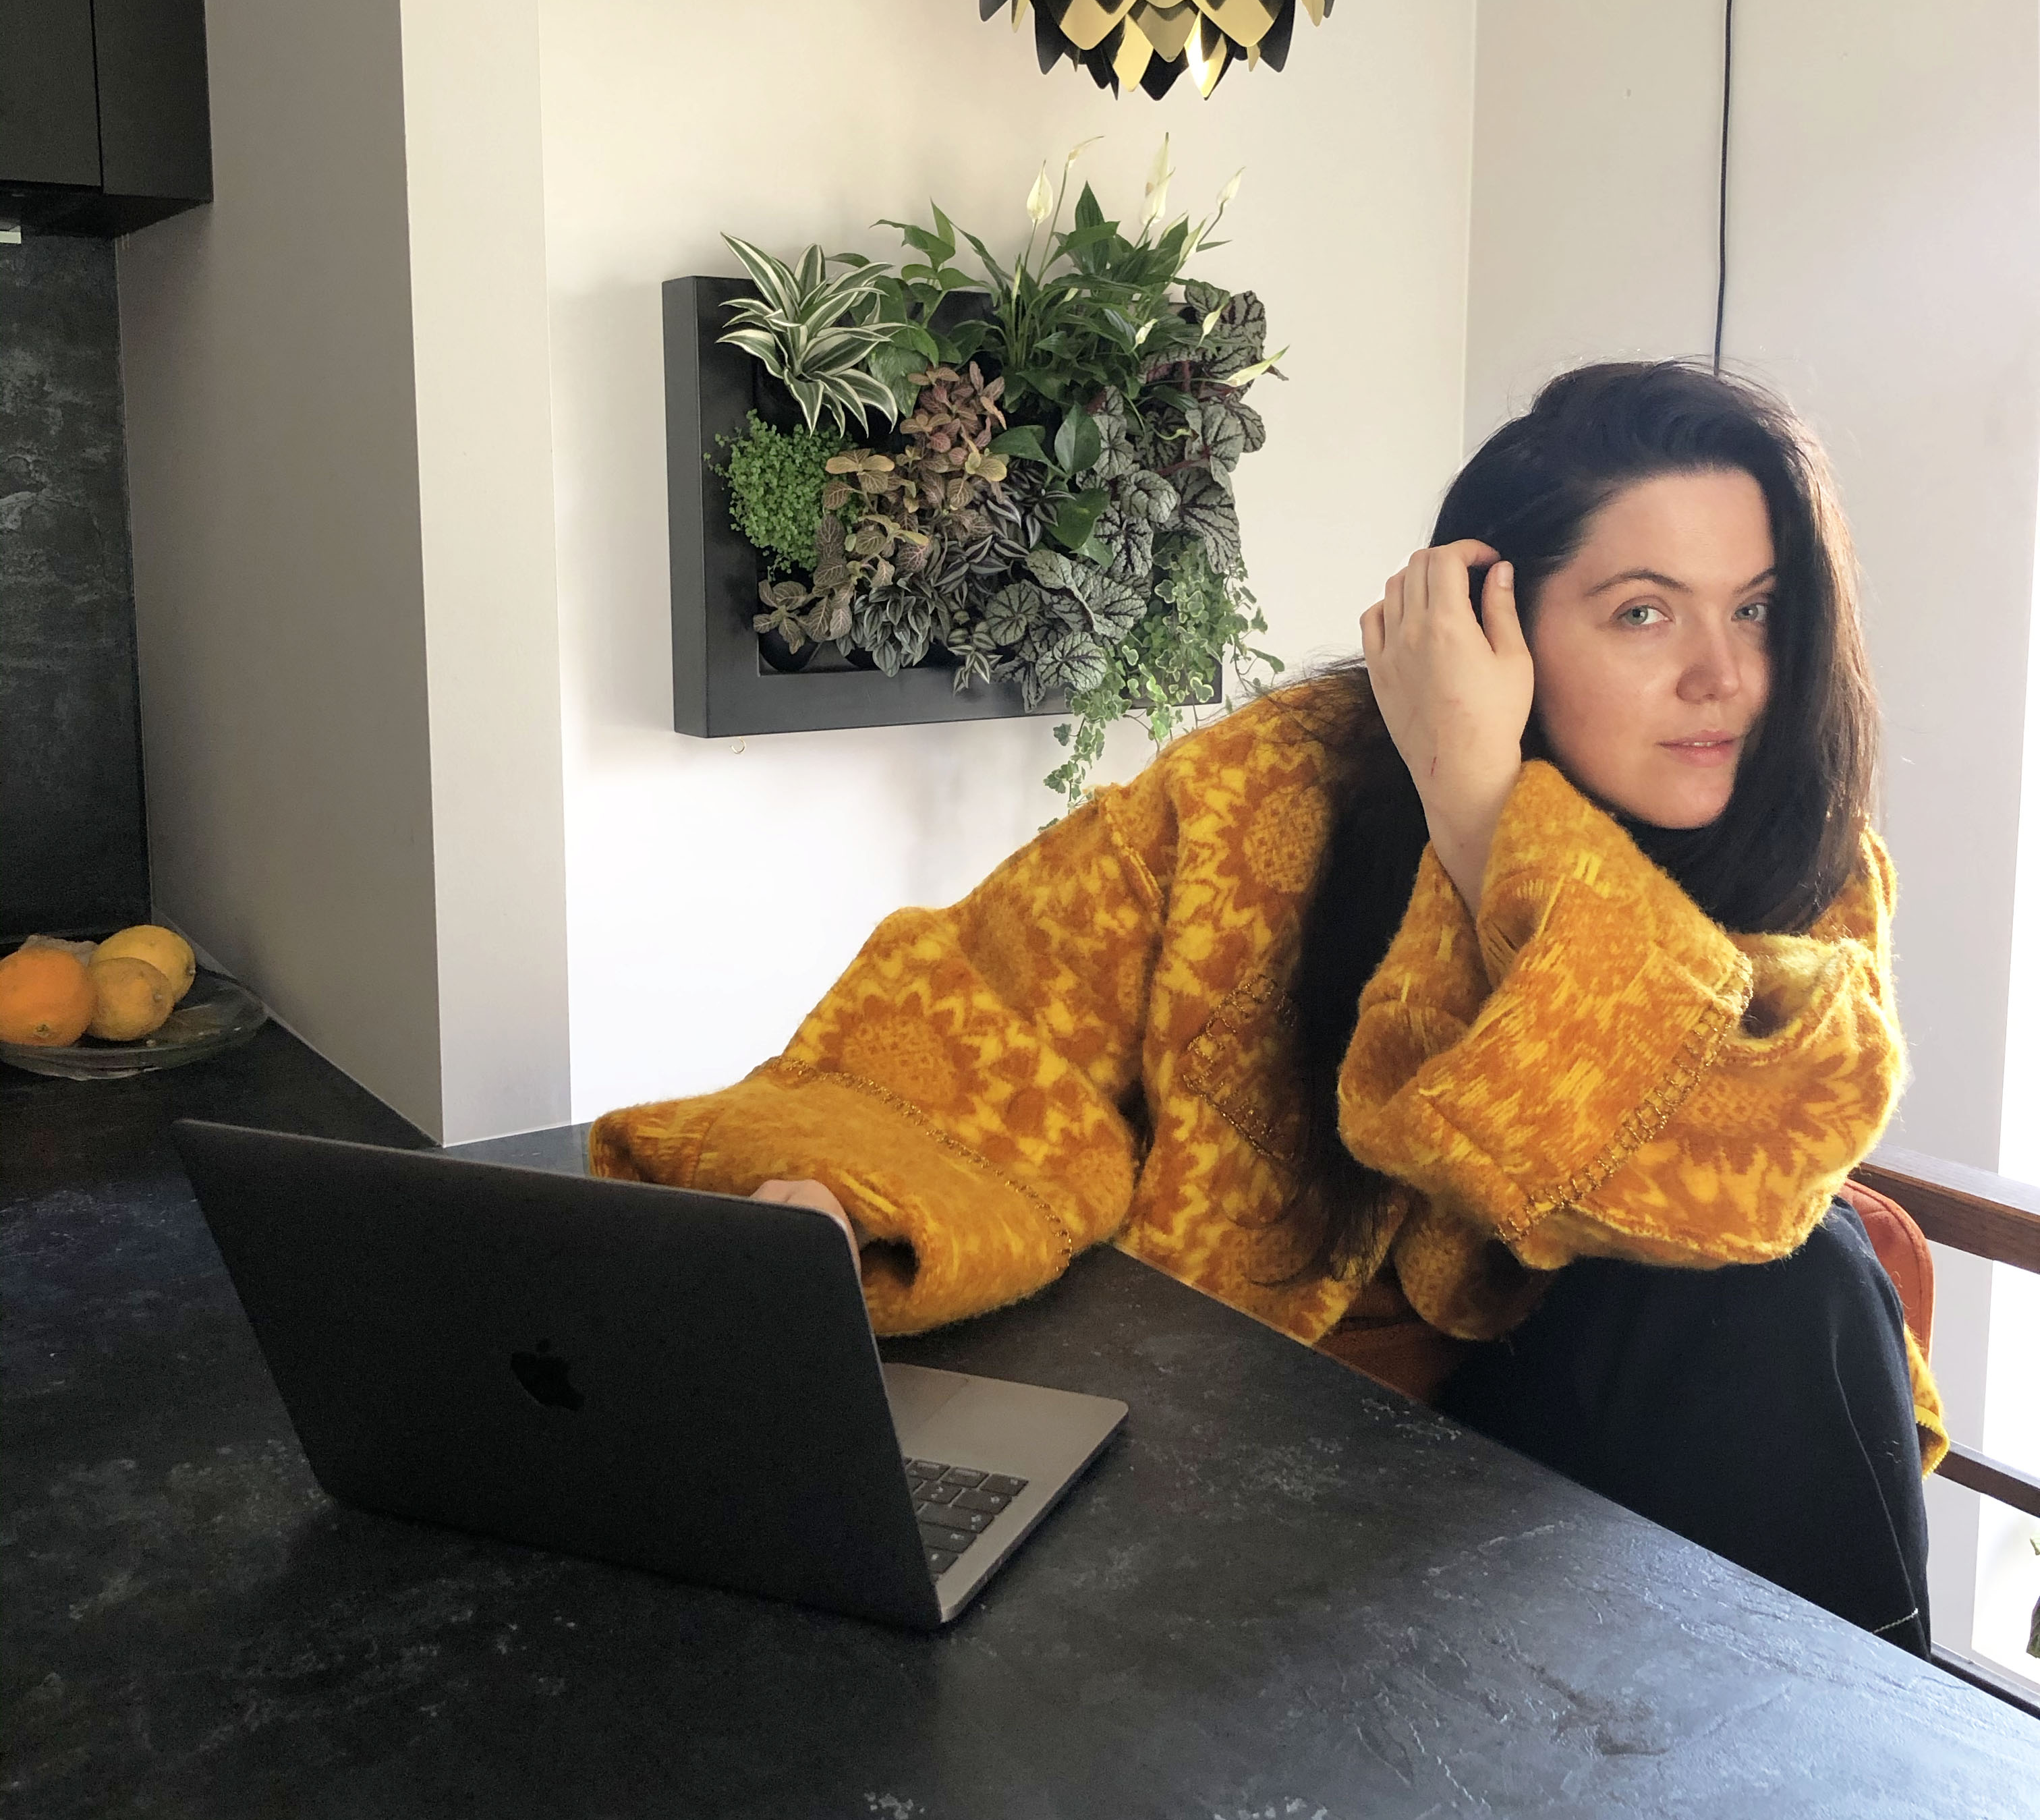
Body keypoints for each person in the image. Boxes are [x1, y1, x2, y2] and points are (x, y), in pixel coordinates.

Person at [593, 360, 1943, 1654]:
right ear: (1487, 624)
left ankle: (1874, 1761)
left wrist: (1484, 811)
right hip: (1243, 1427)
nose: (1723, 677)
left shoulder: (1803, 860)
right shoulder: (1265, 794)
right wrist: (834, 1197)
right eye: (1645, 614)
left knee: (1808, 1279)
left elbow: (1740, 1179)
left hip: (1586, 1463)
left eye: (1758, 610)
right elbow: (984, 1013)